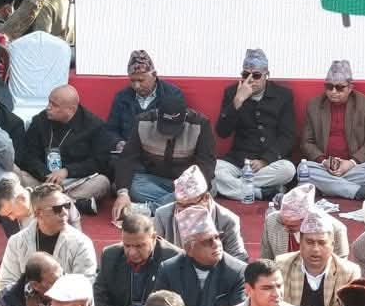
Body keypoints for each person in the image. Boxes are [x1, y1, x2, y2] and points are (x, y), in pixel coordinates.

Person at [112, 86, 216, 214]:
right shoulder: (143, 122)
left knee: (207, 188)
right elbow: (127, 159)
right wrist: (123, 193)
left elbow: (207, 165)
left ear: (185, 117)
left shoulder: (201, 124)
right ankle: (185, 205)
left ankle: (151, 209)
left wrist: (191, 189)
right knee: (131, 186)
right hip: (156, 180)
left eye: (173, 128)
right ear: (158, 115)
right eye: (165, 127)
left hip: (188, 182)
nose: (169, 134)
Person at [211, 48, 297, 202]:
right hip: (238, 161)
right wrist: (237, 102)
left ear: (266, 75)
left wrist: (265, 160)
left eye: (256, 75)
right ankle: (261, 193)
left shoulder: (283, 95)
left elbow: (288, 136)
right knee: (213, 170)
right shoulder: (232, 93)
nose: (250, 80)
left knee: (288, 169)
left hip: (268, 164)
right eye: (245, 75)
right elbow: (222, 132)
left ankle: (236, 187)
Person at [291, 59, 365, 201]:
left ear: (350, 87)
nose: (333, 92)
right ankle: (357, 191)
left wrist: (351, 163)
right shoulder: (314, 104)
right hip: (324, 167)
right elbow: (306, 142)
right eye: (329, 86)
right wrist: (324, 161)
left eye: (339, 88)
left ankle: (327, 188)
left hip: (353, 167)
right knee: (304, 169)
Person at [15, 85, 113, 210]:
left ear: (71, 110)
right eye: (49, 102)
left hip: (74, 181)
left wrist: (67, 171)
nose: (48, 107)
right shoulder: (41, 120)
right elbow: (28, 155)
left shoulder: (95, 126)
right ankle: (71, 204)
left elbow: (99, 162)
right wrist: (46, 175)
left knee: (102, 182)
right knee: (16, 174)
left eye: (54, 105)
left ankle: (47, 203)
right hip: (43, 180)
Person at [154, 205, 247, 306]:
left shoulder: (237, 272)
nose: (216, 244)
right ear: (189, 249)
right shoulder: (169, 270)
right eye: (207, 241)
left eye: (217, 237)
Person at [0, 183, 97, 284]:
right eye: (57, 209)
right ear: (38, 213)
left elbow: (84, 286)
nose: (65, 212)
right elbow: (6, 283)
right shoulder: (16, 242)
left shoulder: (82, 243)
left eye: (67, 205)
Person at [94, 211, 178, 306]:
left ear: (153, 237)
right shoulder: (110, 255)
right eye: (127, 245)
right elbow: (100, 295)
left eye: (139, 246)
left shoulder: (173, 258)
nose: (132, 252)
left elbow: (177, 305)